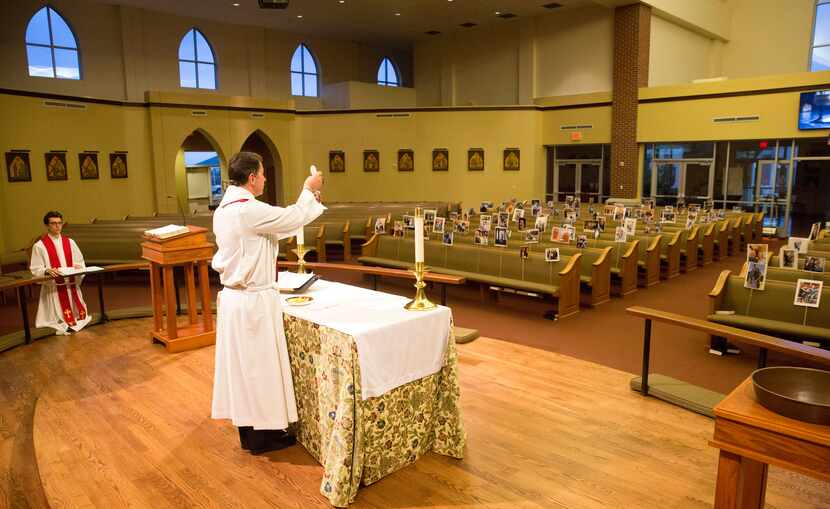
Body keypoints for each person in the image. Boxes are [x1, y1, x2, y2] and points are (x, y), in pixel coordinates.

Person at [211, 152, 325, 454]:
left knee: (243, 370)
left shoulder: (224, 209)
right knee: (259, 369)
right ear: (251, 178)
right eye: (262, 174)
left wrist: (306, 202)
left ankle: (250, 434)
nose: (264, 179)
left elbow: (279, 227)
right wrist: (308, 189)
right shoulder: (248, 210)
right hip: (252, 302)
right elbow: (291, 217)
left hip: (235, 300)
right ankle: (264, 437)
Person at [29, 211, 92, 335]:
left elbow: (79, 260)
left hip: (70, 284)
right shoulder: (40, 246)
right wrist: (46, 270)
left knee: (77, 316)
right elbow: (36, 268)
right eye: (53, 223)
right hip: (54, 287)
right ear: (47, 225)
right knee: (56, 319)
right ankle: (58, 321)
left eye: (59, 223)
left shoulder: (70, 242)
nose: (57, 226)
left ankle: (73, 319)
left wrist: (78, 267)